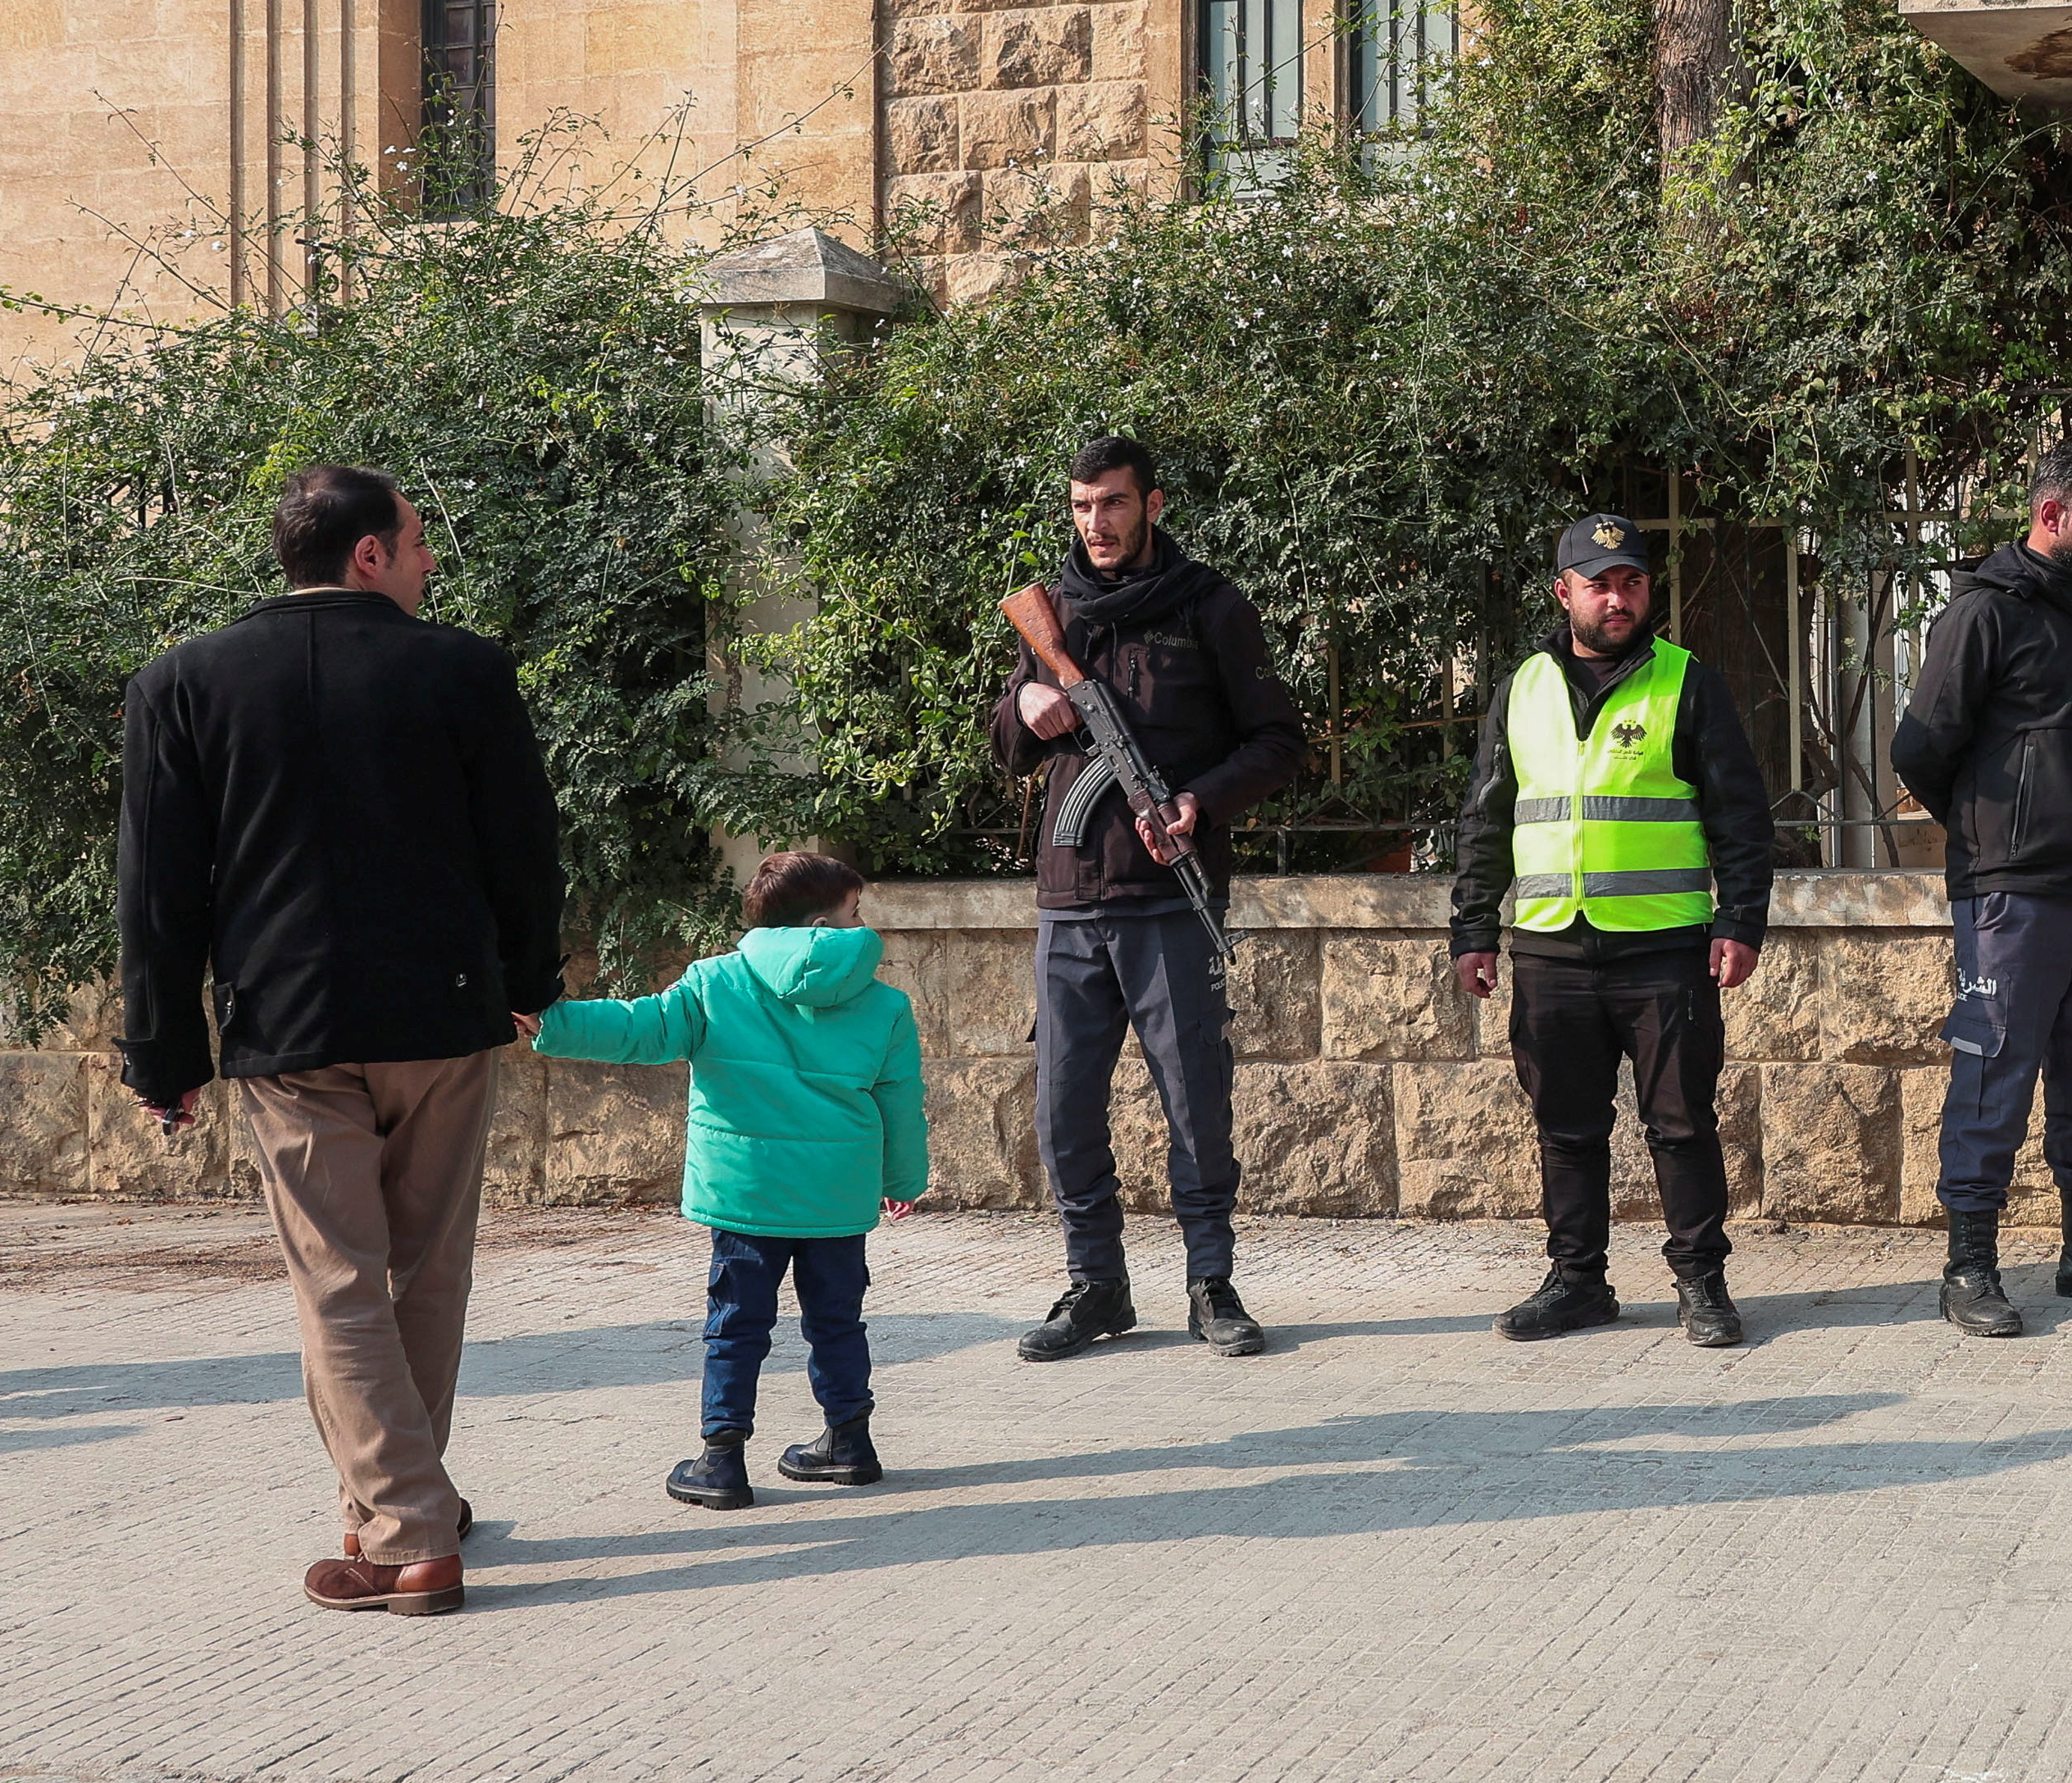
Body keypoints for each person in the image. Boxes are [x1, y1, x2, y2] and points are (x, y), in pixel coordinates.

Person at [116, 462, 564, 1618]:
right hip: (443, 1012)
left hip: (290, 1022)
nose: (427, 562)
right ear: (368, 553)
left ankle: (406, 1526)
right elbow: (523, 846)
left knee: (337, 1283)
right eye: (416, 543)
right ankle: (401, 1506)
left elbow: (158, 895)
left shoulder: (185, 680)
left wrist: (165, 1054)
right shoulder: (465, 669)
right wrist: (527, 983)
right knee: (427, 1267)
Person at [990, 436, 1308, 1365]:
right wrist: (1031, 711)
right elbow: (1006, 740)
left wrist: (1200, 799)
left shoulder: (1210, 608)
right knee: (1062, 1108)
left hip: (1170, 898)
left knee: (1195, 1102)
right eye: (1083, 506)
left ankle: (1211, 1283)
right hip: (1069, 904)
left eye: (1114, 505)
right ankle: (1097, 1284)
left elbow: (1279, 741)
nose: (1097, 524)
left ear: (1152, 504)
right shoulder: (1053, 614)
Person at [1447, 514, 1778, 1349]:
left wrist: (1740, 918)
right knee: (1565, 1123)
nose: (1617, 595)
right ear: (1565, 592)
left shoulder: (1685, 681)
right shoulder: (1522, 686)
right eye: (1598, 581)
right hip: (1552, 944)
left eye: (1630, 580)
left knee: (1680, 1123)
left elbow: (1738, 813)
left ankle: (1701, 1282)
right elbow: (1485, 816)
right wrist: (1472, 927)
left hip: (1664, 947)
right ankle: (1577, 1282)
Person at [1891, 436, 2072, 1336]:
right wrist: (1999, 830)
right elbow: (1919, 749)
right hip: (2012, 893)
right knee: (1995, 1071)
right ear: (2051, 514)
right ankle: (1968, 1265)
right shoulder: (1982, 613)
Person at [532, 852, 927, 1510]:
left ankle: (722, 1460)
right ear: (825, 923)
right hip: (834, 1195)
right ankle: (850, 1442)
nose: (863, 923)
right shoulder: (884, 1005)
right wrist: (902, 1179)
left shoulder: (715, 983)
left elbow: (639, 1029)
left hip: (745, 1196)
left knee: (736, 1325)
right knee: (837, 1321)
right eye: (856, 911)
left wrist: (550, 1019)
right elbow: (899, 1101)